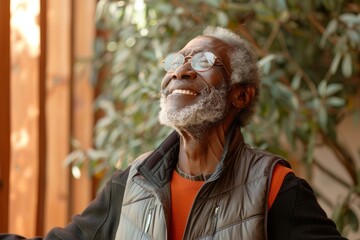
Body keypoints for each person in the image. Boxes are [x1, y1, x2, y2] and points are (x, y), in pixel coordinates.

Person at [1, 26, 347, 240]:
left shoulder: (272, 186)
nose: (180, 71)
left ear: (240, 96)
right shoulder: (132, 183)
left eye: (203, 63)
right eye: (177, 61)